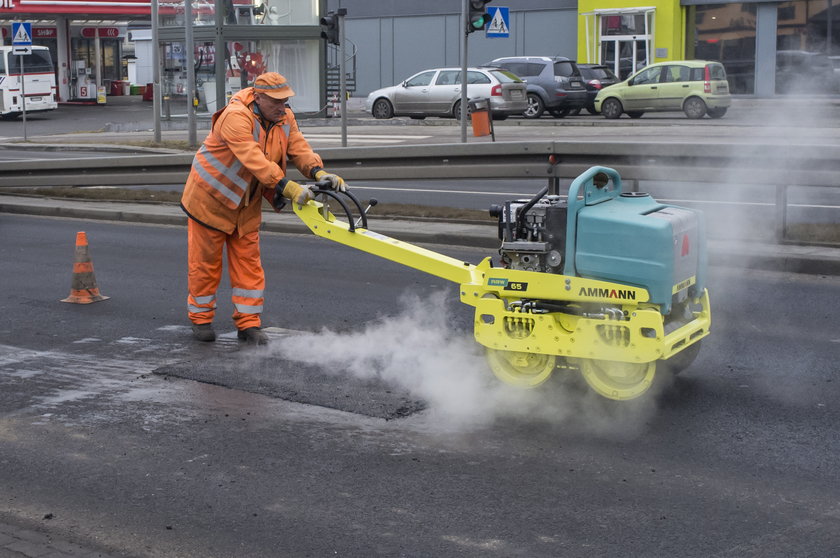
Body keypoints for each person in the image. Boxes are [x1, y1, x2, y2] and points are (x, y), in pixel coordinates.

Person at [180, 72, 346, 345]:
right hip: (209, 201)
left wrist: (317, 172)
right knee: (205, 266)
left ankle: (249, 325)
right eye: (275, 101)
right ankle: (201, 320)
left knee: (249, 266)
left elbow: (299, 148)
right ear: (257, 97)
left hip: (245, 204)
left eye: (285, 101)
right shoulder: (235, 116)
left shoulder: (284, 118)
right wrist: (288, 187)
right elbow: (253, 159)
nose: (282, 107)